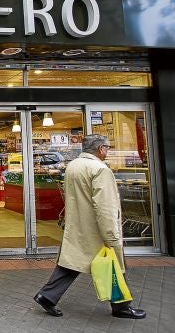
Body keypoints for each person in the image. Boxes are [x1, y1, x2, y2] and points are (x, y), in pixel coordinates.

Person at [33, 134, 146, 319]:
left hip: (78, 225)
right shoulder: (100, 170)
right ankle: (121, 306)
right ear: (100, 149)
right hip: (97, 228)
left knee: (72, 262)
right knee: (114, 266)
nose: (108, 151)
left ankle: (47, 296)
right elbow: (105, 206)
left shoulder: (73, 166)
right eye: (107, 147)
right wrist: (111, 235)